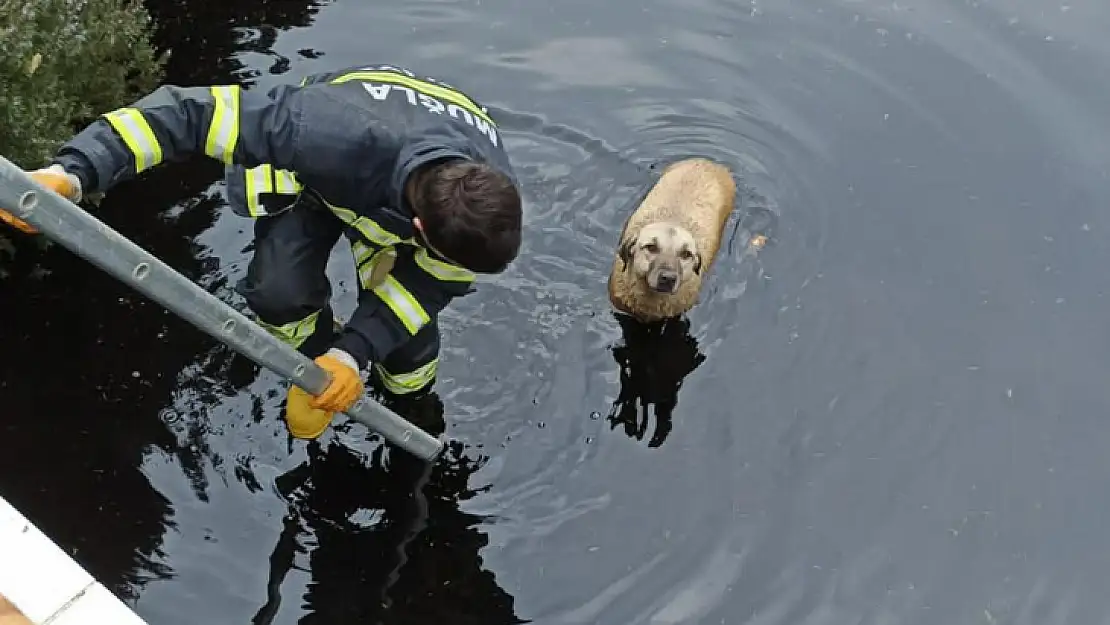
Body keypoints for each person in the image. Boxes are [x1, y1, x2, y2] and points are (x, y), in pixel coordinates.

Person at [0, 63, 523, 440]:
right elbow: (182, 115)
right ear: (418, 227)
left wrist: (352, 355)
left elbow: (425, 287)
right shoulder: (315, 130)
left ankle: (412, 402)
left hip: (395, 184)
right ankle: (308, 345)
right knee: (277, 290)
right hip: (319, 175)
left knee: (408, 345)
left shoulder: (483, 202)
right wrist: (73, 173)